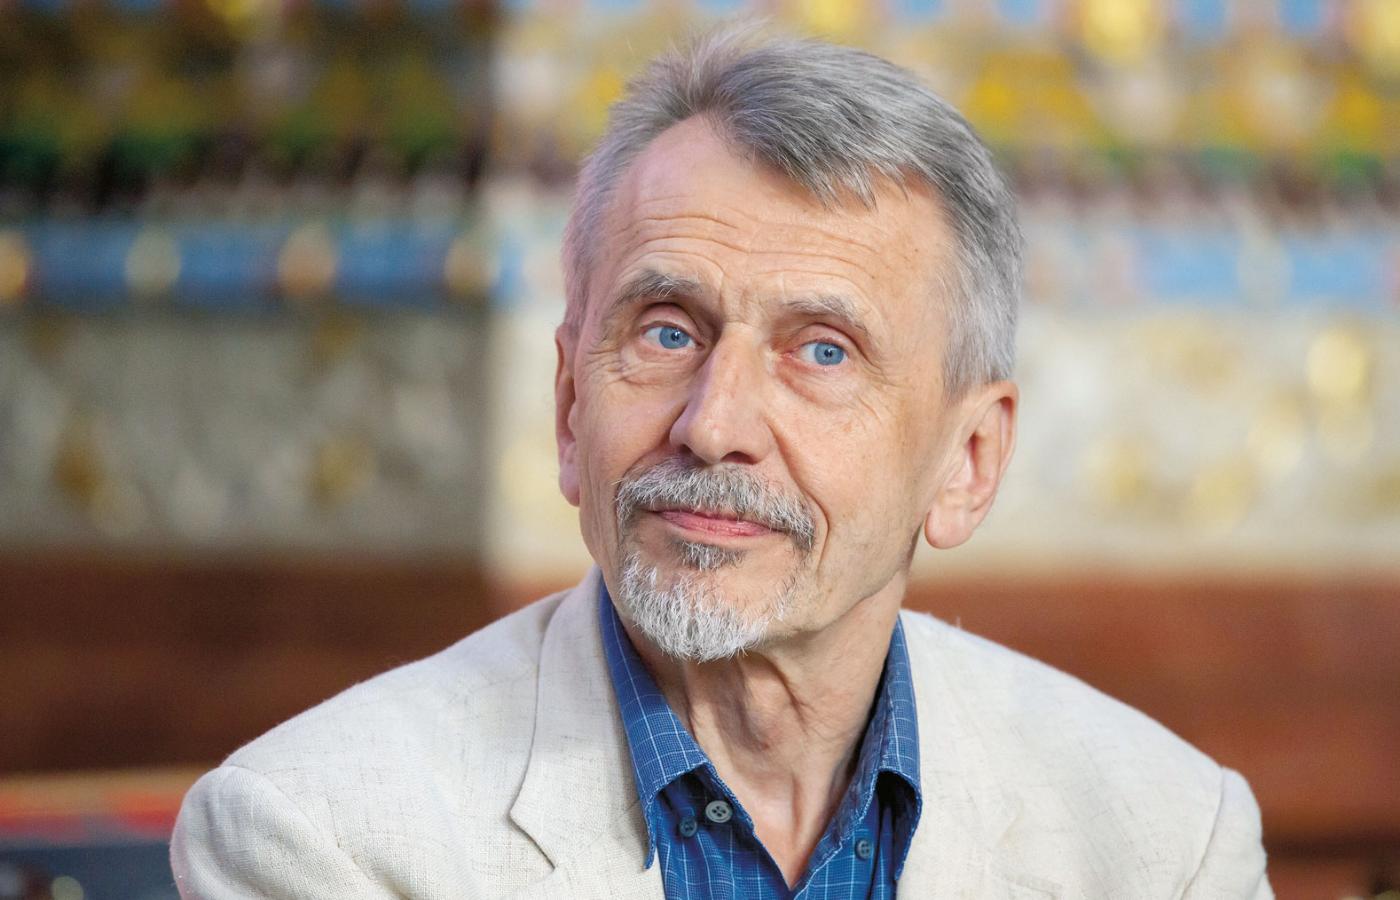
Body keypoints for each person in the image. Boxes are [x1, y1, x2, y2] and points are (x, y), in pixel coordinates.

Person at [171, 25, 1271, 899]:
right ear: (569, 407)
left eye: (822, 350)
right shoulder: (322, 834)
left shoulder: (1165, 843)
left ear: (968, 461)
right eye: (666, 331)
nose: (713, 424)